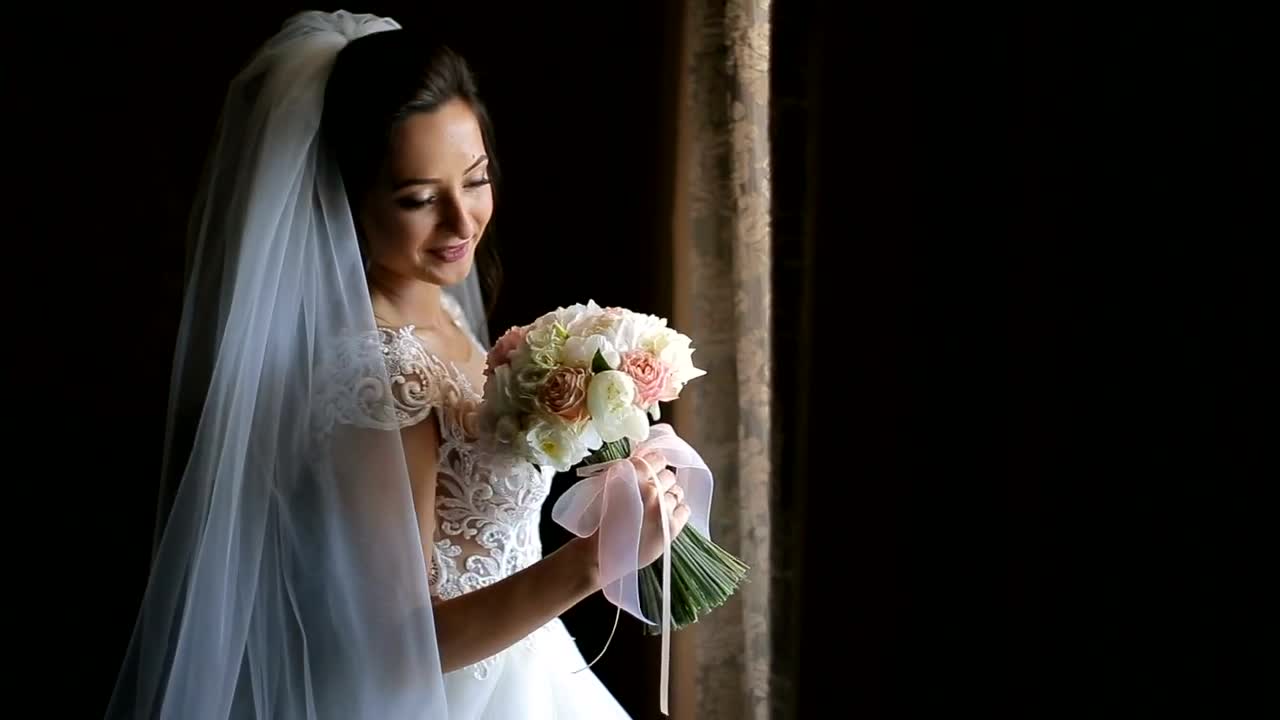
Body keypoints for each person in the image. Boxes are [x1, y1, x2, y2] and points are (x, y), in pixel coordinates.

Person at [104, 10, 690, 720]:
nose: (461, 222)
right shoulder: (380, 374)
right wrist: (594, 562)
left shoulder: (439, 315)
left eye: (474, 180)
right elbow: (398, 642)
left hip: (528, 672)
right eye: (418, 199)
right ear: (344, 200)